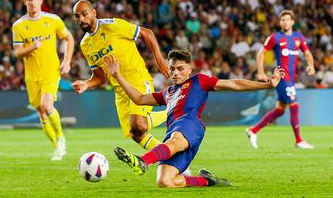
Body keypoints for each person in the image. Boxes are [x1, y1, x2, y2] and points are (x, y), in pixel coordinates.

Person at [103, 50, 284, 188]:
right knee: (164, 181)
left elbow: (235, 84)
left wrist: (267, 84)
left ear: (189, 69)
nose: (175, 72)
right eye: (172, 68)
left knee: (174, 140)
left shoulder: (199, 81)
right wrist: (117, 75)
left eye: (180, 69)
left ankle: (143, 160)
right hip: (175, 133)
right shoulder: (167, 93)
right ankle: (207, 181)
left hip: (190, 125)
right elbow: (139, 99)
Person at [72, 0, 169, 151]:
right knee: (136, 133)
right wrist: (86, 84)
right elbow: (100, 77)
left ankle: (169, 112)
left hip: (137, 79)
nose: (81, 19)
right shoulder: (85, 45)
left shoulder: (112, 26)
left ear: (94, 13)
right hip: (120, 91)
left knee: (138, 124)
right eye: (77, 16)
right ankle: (170, 157)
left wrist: (160, 60)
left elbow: (146, 33)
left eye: (84, 14)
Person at [12, 0, 75, 160]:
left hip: (51, 71)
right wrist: (32, 46)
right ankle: (56, 147)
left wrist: (67, 61)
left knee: (47, 106)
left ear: (41, 1)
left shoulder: (53, 20)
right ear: (25, 2)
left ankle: (61, 138)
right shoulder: (18, 26)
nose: (32, 2)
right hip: (32, 76)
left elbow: (69, 38)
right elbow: (17, 52)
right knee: (40, 110)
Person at [246, 10, 315, 149]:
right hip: (283, 78)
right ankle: (299, 140)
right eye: (283, 20)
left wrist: (311, 65)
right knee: (294, 105)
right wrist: (260, 72)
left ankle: (253, 130)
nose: (285, 22)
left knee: (281, 109)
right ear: (280, 22)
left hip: (291, 78)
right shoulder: (275, 37)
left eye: (288, 19)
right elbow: (261, 53)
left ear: (293, 22)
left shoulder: (298, 37)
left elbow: (307, 53)